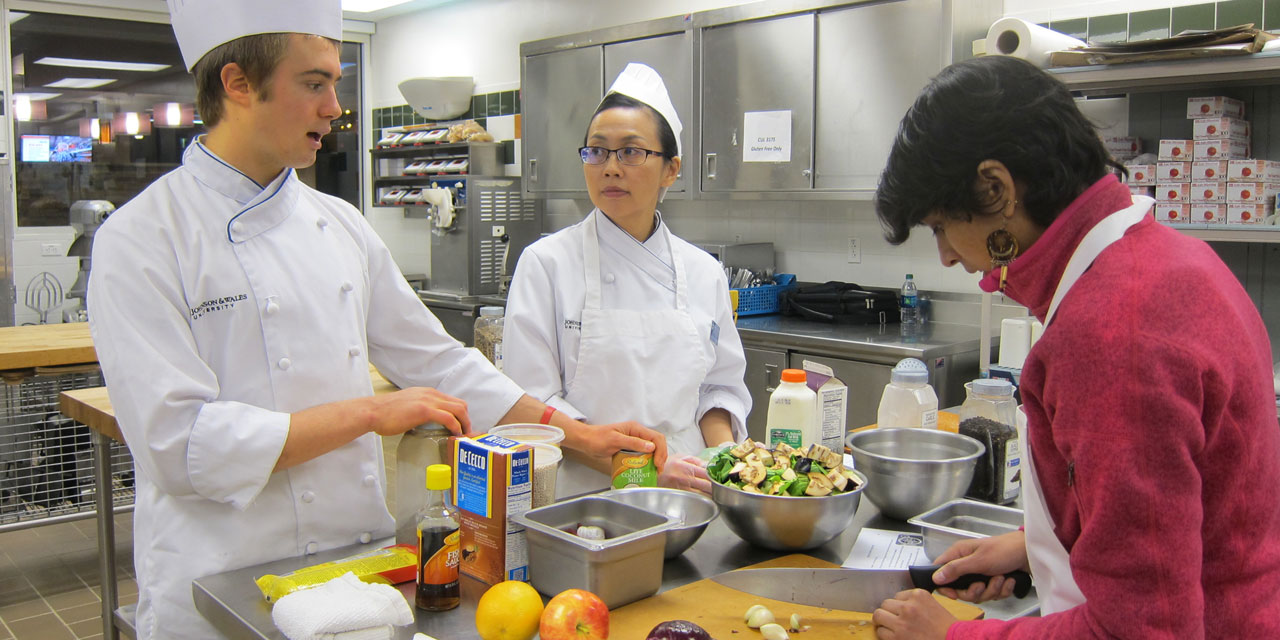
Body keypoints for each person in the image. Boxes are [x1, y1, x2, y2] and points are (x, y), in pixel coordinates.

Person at [87, 3, 665, 638]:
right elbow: (181, 445)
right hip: (218, 589)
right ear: (238, 84)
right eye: (314, 83)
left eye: (335, 83)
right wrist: (367, 414)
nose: (335, 107)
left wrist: (581, 437)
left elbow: (439, 361)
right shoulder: (141, 239)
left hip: (352, 584)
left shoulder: (338, 225)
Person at [870, 55, 1280, 639]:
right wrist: (1033, 546)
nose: (947, 257)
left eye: (940, 226)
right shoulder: (1174, 262)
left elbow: (1142, 631)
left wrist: (950, 637)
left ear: (997, 187)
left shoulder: (1113, 331)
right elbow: (1181, 519)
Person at [503, 63, 751, 495]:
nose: (610, 168)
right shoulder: (546, 264)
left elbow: (719, 389)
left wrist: (726, 463)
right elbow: (535, 408)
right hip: (584, 498)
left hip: (691, 491)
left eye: (631, 152)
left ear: (671, 170)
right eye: (597, 151)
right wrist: (641, 469)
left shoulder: (703, 272)